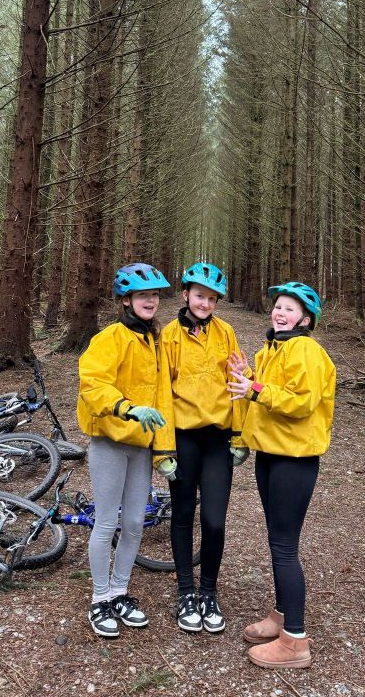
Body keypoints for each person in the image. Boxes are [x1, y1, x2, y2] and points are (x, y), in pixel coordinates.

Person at [228, 281, 335, 670]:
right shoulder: (273, 349)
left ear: (305, 319)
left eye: (290, 308)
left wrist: (254, 388)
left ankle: (295, 641)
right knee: (277, 542)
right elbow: (268, 392)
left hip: (294, 459)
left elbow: (301, 403)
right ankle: (282, 615)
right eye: (278, 306)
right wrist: (249, 376)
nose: (280, 312)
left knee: (285, 546)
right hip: (271, 455)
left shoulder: (307, 350)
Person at [76, 262, 177, 639]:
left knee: (134, 523)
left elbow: (164, 398)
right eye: (142, 295)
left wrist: (164, 452)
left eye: (154, 296)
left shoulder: (156, 341)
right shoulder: (110, 338)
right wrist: (127, 407)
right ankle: (99, 598)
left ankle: (120, 592)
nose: (150, 301)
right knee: (106, 522)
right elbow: (93, 384)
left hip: (141, 446)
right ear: (126, 300)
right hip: (110, 441)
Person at [159, 261, 249, 634]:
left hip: (217, 439)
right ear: (185, 295)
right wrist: (163, 450)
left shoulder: (226, 332)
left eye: (211, 299)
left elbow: (238, 380)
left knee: (214, 519)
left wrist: (240, 436)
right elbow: (161, 393)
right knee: (182, 515)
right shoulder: (169, 336)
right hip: (183, 438)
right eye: (199, 296)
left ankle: (209, 593)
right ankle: (186, 592)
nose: (205, 304)